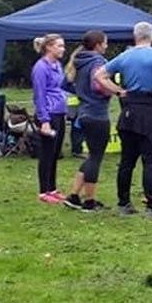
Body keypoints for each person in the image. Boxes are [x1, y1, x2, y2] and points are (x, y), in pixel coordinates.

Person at [95, 21, 152, 218]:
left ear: (135, 36)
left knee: (127, 160)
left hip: (129, 109)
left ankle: (123, 203)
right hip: (150, 109)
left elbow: (100, 76)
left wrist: (119, 91)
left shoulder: (124, 56)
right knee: (151, 160)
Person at [62, 31, 113, 211]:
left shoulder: (79, 60)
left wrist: (81, 92)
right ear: (98, 44)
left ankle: (74, 195)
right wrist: (113, 90)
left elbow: (65, 83)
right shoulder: (98, 62)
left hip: (83, 113)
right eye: (105, 43)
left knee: (92, 155)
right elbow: (98, 85)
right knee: (96, 157)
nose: (106, 46)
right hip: (97, 113)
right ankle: (89, 201)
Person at [31, 34, 68, 203]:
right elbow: (39, 94)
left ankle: (52, 188)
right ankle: (43, 191)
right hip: (48, 114)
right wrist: (44, 120)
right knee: (46, 153)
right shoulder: (41, 67)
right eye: (59, 46)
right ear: (49, 47)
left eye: (63, 46)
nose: (63, 49)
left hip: (59, 112)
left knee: (55, 153)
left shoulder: (58, 65)